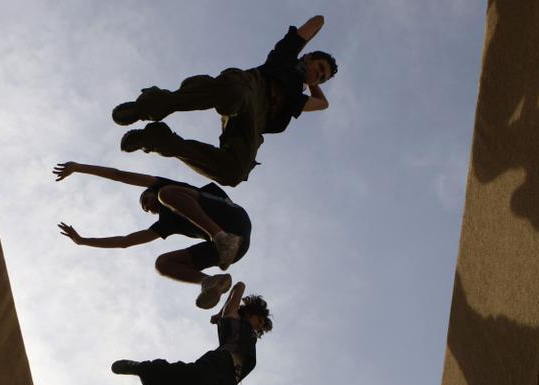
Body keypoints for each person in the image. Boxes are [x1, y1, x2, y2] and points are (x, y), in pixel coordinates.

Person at [112, 15, 338, 187]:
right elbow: (319, 20)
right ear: (308, 57)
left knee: (234, 173)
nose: (317, 74)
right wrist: (305, 60)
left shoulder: (298, 100)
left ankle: (155, 139)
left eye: (322, 76)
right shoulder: (286, 57)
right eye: (318, 67)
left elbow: (323, 104)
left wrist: (312, 81)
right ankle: (146, 106)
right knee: (234, 91)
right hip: (250, 87)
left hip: (251, 125)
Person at [54, 161, 252, 309]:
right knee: (162, 264)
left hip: (233, 220)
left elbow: (119, 175)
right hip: (234, 251)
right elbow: (125, 241)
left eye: (145, 201)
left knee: (166, 194)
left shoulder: (162, 188)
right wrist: (82, 241)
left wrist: (78, 167)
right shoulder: (165, 224)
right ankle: (209, 281)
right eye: (145, 209)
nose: (147, 208)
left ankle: (220, 237)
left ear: (149, 191)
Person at [109, 282, 271, 385]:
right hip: (220, 363)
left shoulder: (250, 339)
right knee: (190, 379)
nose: (259, 325)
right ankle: (143, 368)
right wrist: (220, 312)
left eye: (261, 326)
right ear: (250, 312)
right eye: (260, 320)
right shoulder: (232, 316)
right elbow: (240, 285)